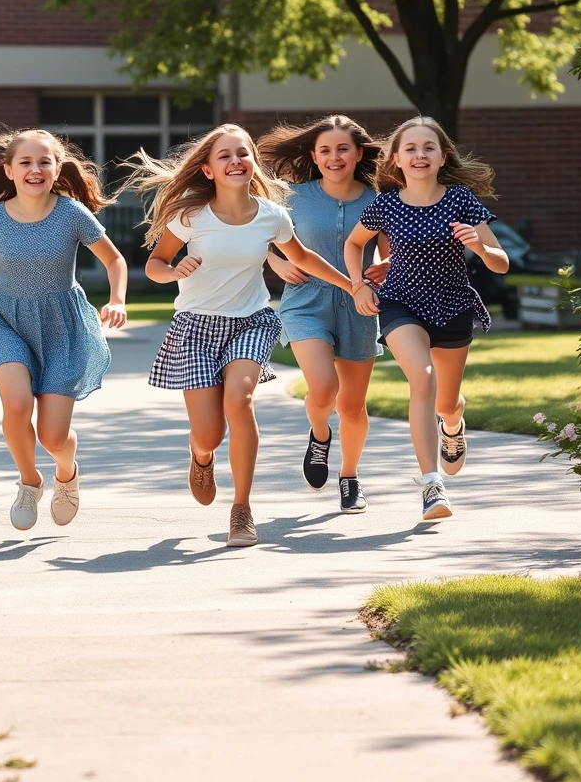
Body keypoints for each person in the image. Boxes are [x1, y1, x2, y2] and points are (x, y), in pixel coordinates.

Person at [122, 124, 355, 547]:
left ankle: (242, 509)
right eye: (225, 156)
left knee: (240, 399)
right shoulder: (190, 216)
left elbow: (302, 257)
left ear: (253, 163)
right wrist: (173, 271)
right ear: (208, 170)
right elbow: (155, 262)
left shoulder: (271, 215)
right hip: (196, 326)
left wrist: (351, 285)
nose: (235, 161)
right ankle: (202, 455)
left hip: (250, 321)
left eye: (243, 153)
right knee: (209, 432)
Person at [0, 129, 128, 531]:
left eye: (44, 162)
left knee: (53, 437)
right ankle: (30, 482)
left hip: (61, 327)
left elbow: (115, 260)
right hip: (4, 320)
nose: (35, 170)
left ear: (57, 168)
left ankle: (65, 472)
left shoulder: (70, 213)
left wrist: (117, 299)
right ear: (9, 170)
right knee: (16, 403)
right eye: (26, 163)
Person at [344, 115, 509, 521]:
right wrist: (359, 285)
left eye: (428, 148)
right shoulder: (385, 205)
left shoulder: (460, 199)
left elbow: (502, 263)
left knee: (447, 402)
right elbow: (354, 244)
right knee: (424, 378)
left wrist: (481, 248)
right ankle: (432, 485)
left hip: (453, 305)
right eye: (411, 148)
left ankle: (452, 425)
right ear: (396, 159)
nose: (420, 155)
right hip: (401, 303)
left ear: (442, 156)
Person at [258, 115, 388, 513]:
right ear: (314, 156)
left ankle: (349, 477)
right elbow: (256, 236)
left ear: (359, 153)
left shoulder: (378, 200)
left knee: (352, 405)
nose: (335, 157)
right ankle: (319, 433)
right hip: (304, 300)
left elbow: (387, 248)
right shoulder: (291, 197)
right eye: (326, 150)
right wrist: (276, 262)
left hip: (360, 303)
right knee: (324, 388)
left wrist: (385, 265)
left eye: (343, 149)